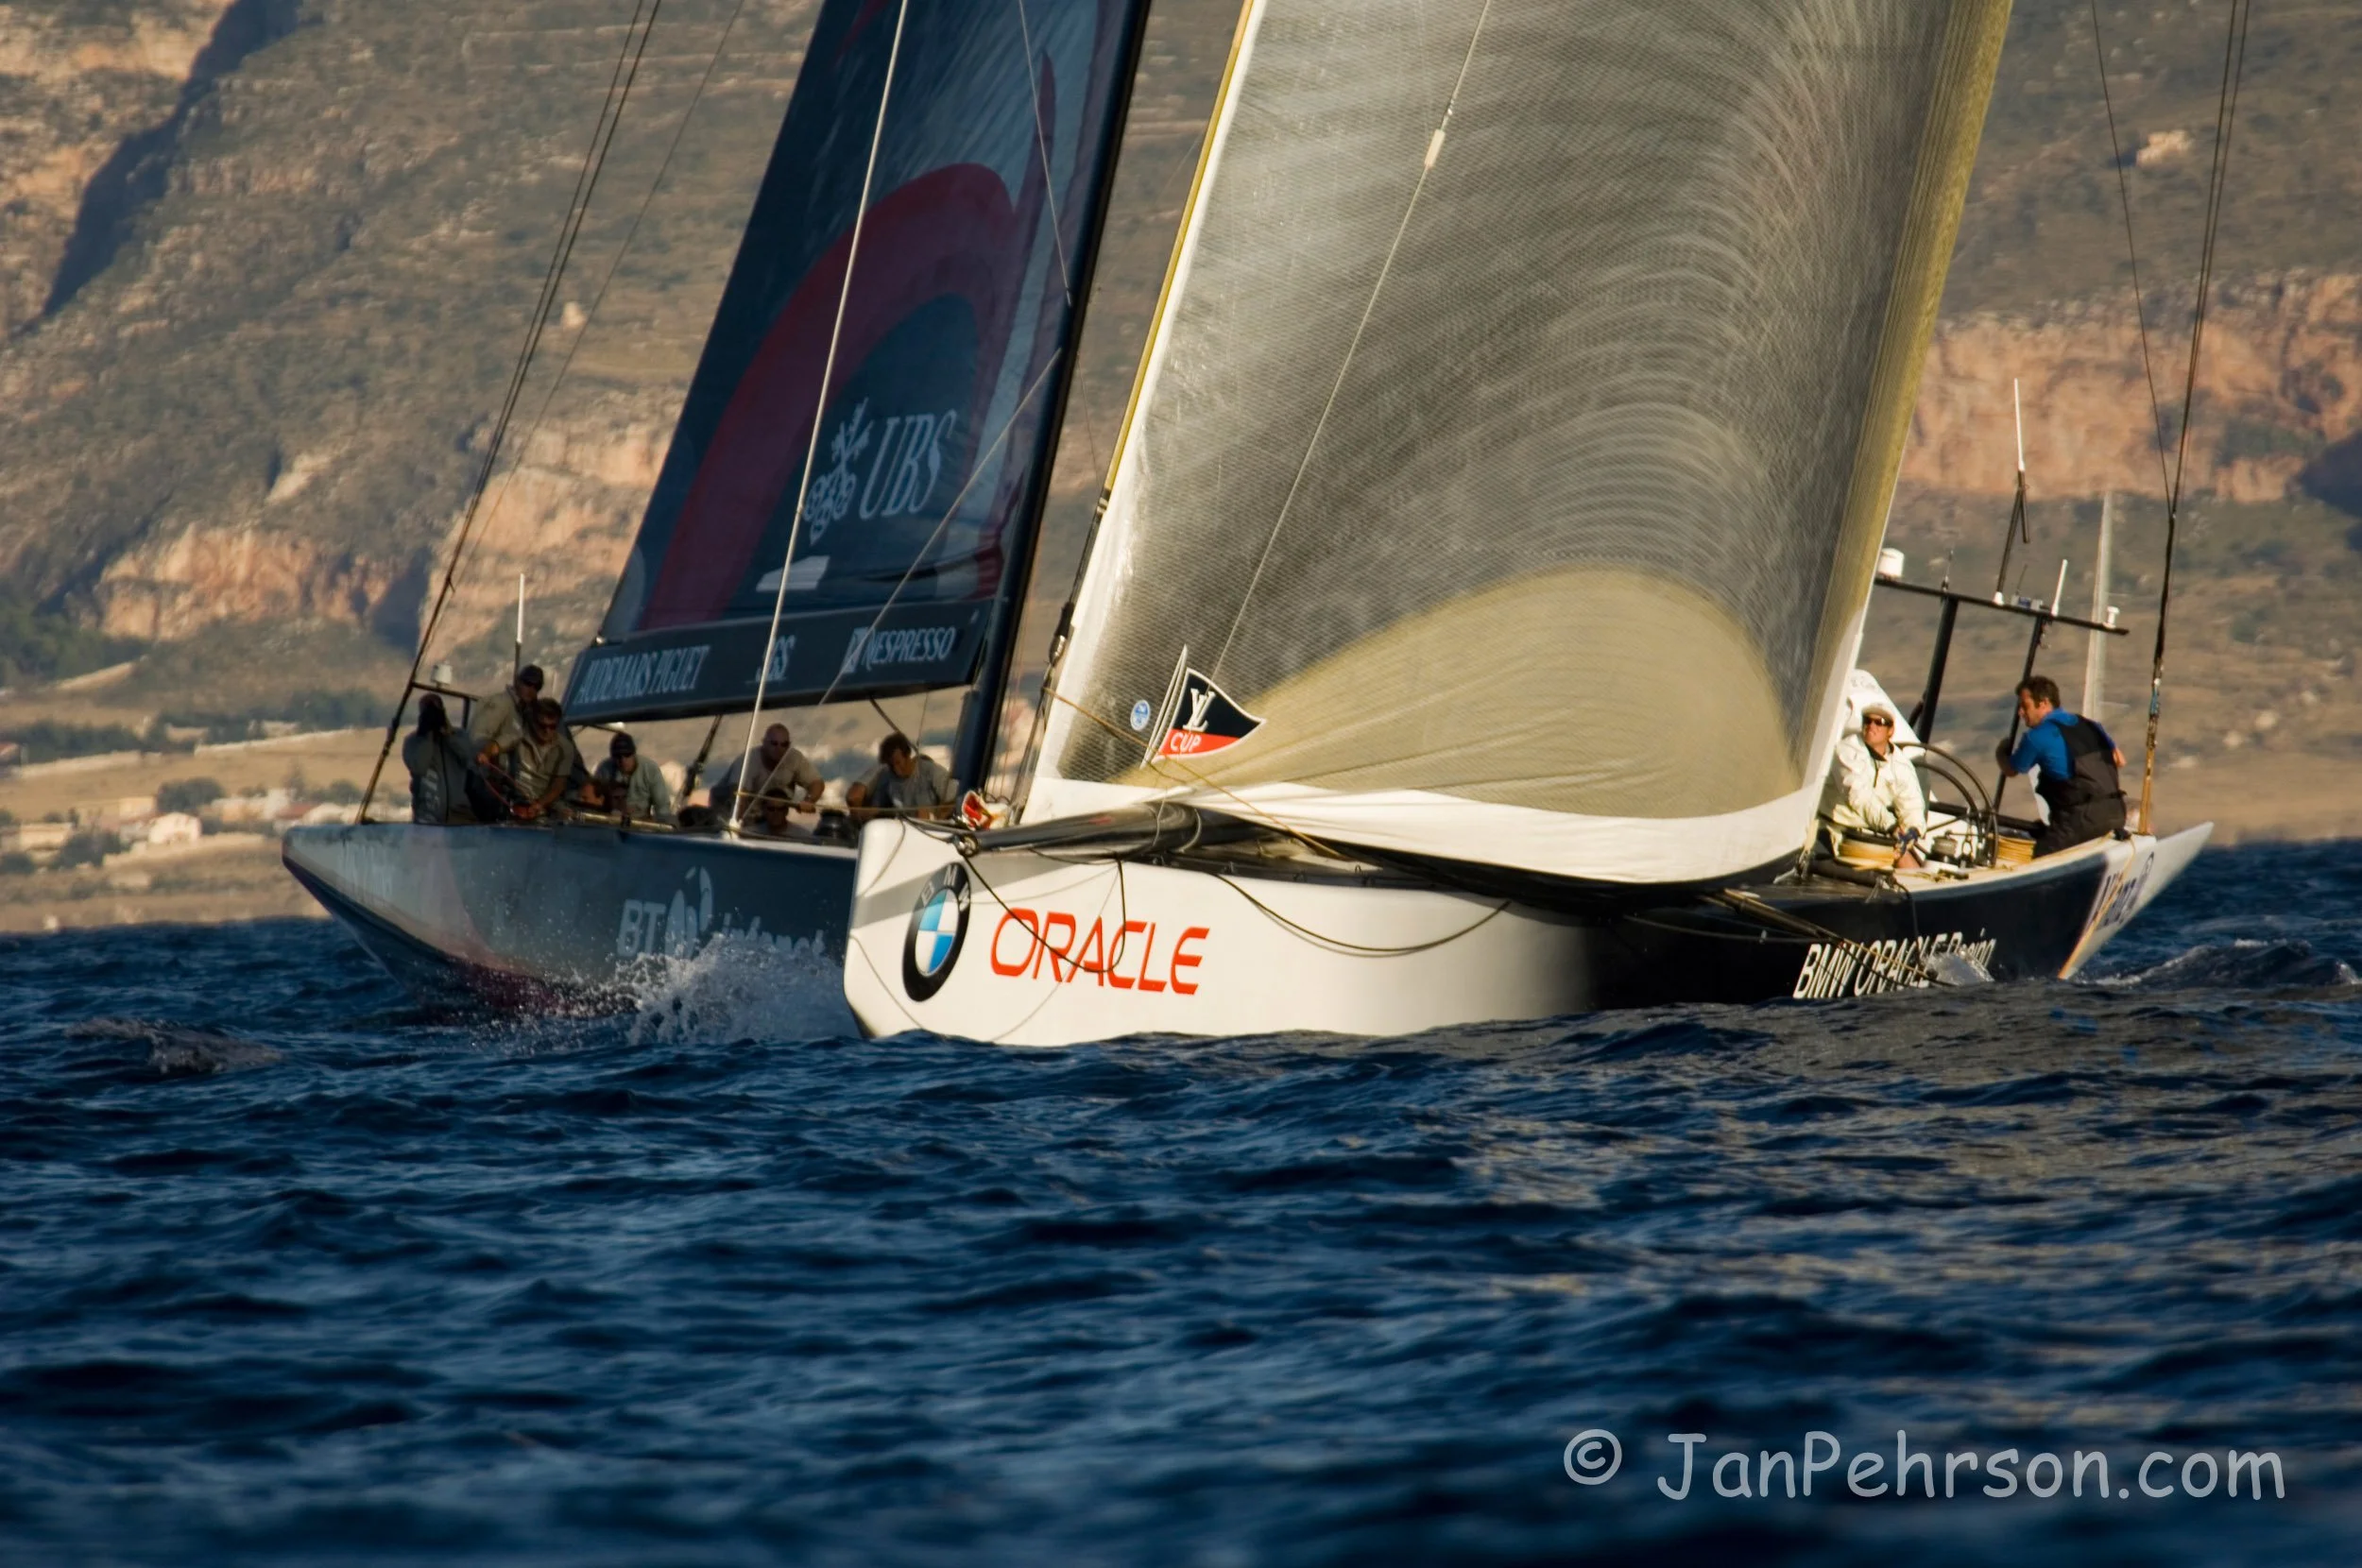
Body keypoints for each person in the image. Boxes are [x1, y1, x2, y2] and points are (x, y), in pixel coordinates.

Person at [1996, 674, 2127, 856]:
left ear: (2043, 703)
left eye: (2025, 706)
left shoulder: (2037, 736)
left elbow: (2011, 769)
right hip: (2116, 814)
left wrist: (2001, 752)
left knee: (2040, 858)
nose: (2020, 712)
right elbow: (2119, 760)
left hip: (2079, 822)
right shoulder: (2091, 725)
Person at [1821, 701, 1927, 868]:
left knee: (1913, 873)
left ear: (1890, 731)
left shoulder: (1901, 765)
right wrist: (1890, 825)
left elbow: (1912, 805)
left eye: (1880, 723)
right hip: (1831, 829)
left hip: (1870, 837)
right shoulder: (1847, 750)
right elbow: (1858, 795)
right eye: (1867, 721)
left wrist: (1912, 831)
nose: (1872, 726)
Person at [707, 724, 824, 823]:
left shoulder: (794, 758)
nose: (779, 748)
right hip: (726, 814)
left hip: (766, 819)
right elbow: (739, 800)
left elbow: (816, 782)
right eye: (774, 743)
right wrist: (738, 827)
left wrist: (809, 800)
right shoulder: (748, 761)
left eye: (784, 744)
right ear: (764, 743)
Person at [401, 694, 481, 825]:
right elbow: (419, 767)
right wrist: (426, 736)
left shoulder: (459, 736)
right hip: (427, 816)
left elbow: (470, 758)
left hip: (459, 815)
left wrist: (449, 734)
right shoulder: (412, 741)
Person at [502, 697, 583, 823]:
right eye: (543, 726)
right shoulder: (519, 736)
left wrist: (540, 804)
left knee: (567, 815)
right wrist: (485, 754)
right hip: (517, 796)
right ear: (533, 722)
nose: (547, 731)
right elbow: (496, 747)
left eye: (552, 727)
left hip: (547, 800)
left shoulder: (566, 748)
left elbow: (559, 785)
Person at [847, 731, 960, 821]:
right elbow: (879, 809)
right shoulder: (888, 778)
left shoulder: (931, 772)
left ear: (907, 756)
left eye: (898, 763)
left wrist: (934, 816)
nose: (895, 769)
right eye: (891, 765)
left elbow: (955, 800)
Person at [590, 732, 675, 824]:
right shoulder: (604, 769)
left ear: (634, 753)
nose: (623, 760)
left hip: (643, 824)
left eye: (627, 755)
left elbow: (662, 806)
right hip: (611, 822)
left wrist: (661, 826)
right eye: (618, 756)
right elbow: (593, 799)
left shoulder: (650, 769)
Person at [471, 664, 544, 767]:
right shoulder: (502, 703)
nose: (531, 690)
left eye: (536, 687)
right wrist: (489, 758)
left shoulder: (524, 712)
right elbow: (478, 738)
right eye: (528, 683)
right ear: (518, 682)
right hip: (486, 772)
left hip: (505, 774)